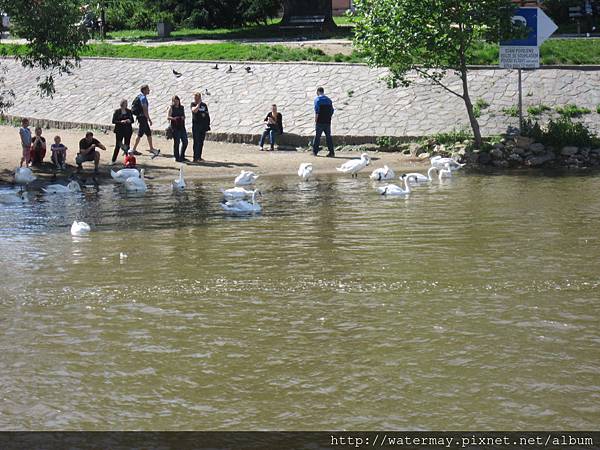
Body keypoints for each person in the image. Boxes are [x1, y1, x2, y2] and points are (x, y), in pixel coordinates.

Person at [132, 84, 160, 158]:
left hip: (141, 117)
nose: (149, 90)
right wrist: (149, 119)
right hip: (142, 118)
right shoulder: (143, 98)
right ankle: (133, 149)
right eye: (148, 89)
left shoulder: (139, 96)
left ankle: (151, 148)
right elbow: (145, 110)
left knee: (148, 133)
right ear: (144, 90)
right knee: (140, 134)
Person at [312, 87, 335, 157]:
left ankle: (315, 152)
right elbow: (332, 111)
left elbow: (317, 111)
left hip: (320, 121)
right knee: (328, 137)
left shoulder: (317, 100)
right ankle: (331, 152)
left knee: (317, 137)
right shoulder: (329, 100)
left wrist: (316, 120)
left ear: (318, 92)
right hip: (327, 121)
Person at [111, 99, 134, 165]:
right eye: (125, 103)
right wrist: (121, 122)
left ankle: (128, 160)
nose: (126, 104)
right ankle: (113, 160)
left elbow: (132, 120)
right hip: (119, 130)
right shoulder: (117, 111)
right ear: (122, 104)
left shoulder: (129, 111)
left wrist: (129, 121)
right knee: (118, 145)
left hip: (128, 130)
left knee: (127, 145)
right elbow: (113, 121)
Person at [190, 92, 211, 162]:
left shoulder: (204, 105)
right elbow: (194, 111)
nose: (197, 99)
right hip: (196, 125)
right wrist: (198, 104)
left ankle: (199, 156)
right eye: (196, 98)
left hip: (203, 126)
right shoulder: (193, 104)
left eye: (198, 97)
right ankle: (195, 157)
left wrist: (207, 124)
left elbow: (207, 114)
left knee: (201, 141)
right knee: (196, 141)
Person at [167, 95, 188, 162]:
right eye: (174, 101)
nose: (176, 102)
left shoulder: (182, 107)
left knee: (185, 142)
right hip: (175, 127)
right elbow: (168, 117)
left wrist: (182, 118)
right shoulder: (171, 108)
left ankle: (182, 155)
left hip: (182, 126)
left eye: (177, 101)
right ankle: (177, 156)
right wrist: (174, 118)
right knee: (177, 142)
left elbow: (184, 116)